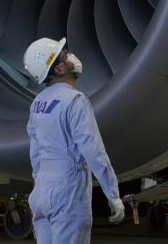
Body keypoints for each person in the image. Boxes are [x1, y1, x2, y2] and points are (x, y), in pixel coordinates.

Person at [24, 37, 126, 244]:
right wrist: (112, 193)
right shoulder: (75, 101)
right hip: (67, 192)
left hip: (41, 190)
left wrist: (41, 183)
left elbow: (35, 152)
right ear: (60, 69)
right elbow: (93, 150)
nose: (71, 56)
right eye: (65, 54)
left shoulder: (38, 103)